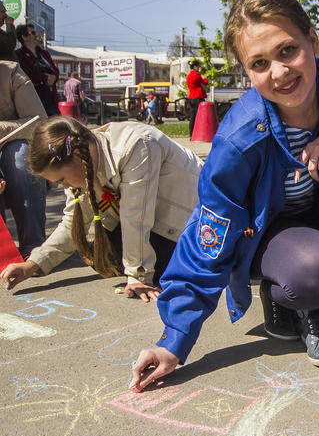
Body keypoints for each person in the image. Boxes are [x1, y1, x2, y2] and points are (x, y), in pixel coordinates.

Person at [128, 0, 319, 392]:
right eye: (259, 63)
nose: (279, 72)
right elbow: (209, 235)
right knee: (315, 272)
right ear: (247, 73)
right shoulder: (239, 139)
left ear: (312, 42)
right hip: (268, 236)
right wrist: (175, 339)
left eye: (287, 51)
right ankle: (283, 292)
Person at [0, 117, 203, 301]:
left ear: (77, 155)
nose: (65, 186)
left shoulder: (137, 145)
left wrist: (138, 275)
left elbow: (136, 216)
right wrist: (34, 263)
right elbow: (73, 222)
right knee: (101, 253)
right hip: (157, 222)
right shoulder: (83, 162)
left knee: (145, 262)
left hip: (192, 225)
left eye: (62, 179)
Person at [0, 60, 47, 260]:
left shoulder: (10, 72)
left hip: (10, 146)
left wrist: (2, 128)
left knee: (20, 156)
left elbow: (39, 122)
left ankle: (33, 248)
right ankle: (3, 252)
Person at [15, 24, 60, 116]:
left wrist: (54, 77)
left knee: (56, 121)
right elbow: (27, 73)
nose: (36, 35)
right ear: (24, 37)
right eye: (33, 33)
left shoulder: (44, 54)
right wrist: (45, 78)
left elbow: (55, 69)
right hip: (35, 97)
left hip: (51, 96)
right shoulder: (20, 54)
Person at [185, 59, 208, 135]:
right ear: (195, 67)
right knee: (198, 116)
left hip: (191, 97)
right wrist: (201, 74)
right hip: (198, 97)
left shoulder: (189, 76)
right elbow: (205, 82)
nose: (199, 68)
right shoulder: (196, 75)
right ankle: (195, 133)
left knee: (193, 116)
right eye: (198, 66)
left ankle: (192, 133)